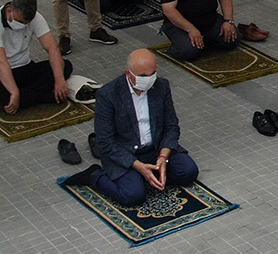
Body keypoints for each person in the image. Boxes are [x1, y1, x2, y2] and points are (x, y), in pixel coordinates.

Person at [79, 50, 199, 207]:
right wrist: (136, 165)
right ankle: (95, 176)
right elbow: (105, 141)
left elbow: (171, 126)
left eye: (153, 73)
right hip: (126, 153)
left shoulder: (161, 86)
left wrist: (164, 156)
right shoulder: (108, 94)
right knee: (132, 196)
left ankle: (150, 173)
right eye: (143, 76)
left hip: (155, 149)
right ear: (128, 74)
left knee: (188, 172)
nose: (149, 79)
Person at [0, 0, 73, 113]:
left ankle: (24, 98)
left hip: (23, 68)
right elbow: (0, 62)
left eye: (26, 23)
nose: (23, 25)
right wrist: (14, 91)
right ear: (9, 11)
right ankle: (41, 96)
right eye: (20, 22)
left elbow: (52, 48)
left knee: (65, 66)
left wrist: (59, 79)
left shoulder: (35, 18)